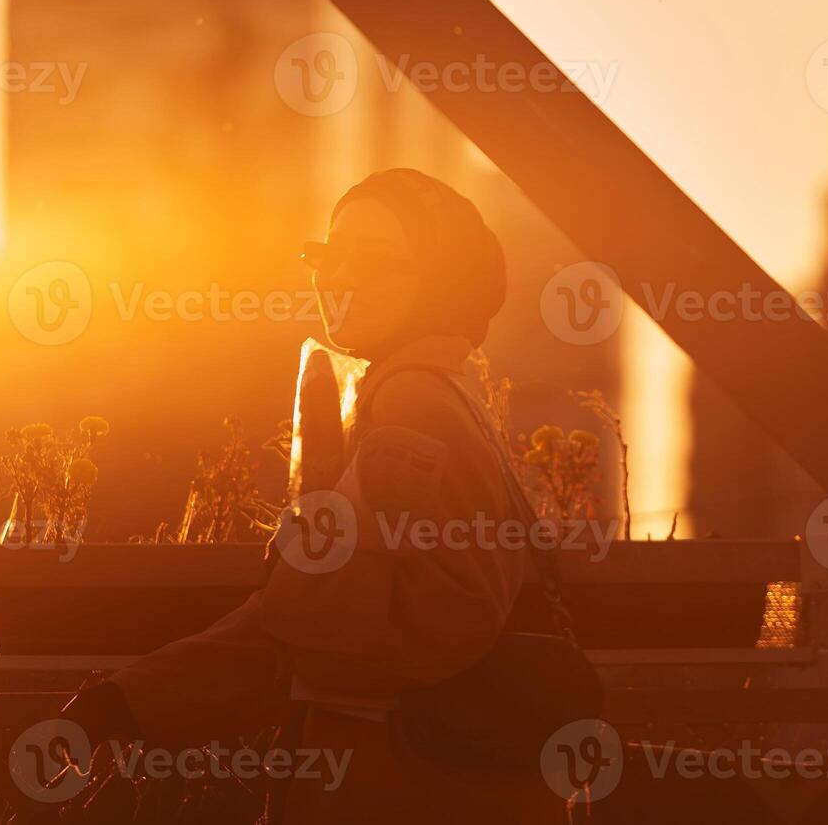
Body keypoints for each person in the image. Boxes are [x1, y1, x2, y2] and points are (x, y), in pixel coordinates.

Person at [61, 168, 565, 822]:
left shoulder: (412, 399)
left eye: (374, 260)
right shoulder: (420, 385)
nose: (339, 276)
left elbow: (436, 616)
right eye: (329, 254)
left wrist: (134, 701)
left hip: (402, 782)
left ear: (438, 281)